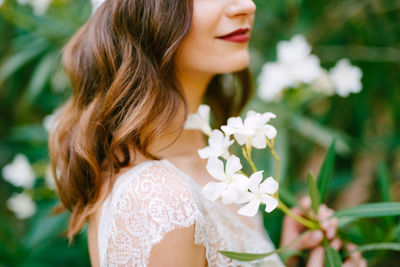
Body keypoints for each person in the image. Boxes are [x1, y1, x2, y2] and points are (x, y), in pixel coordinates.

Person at [49, 0, 366, 266]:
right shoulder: (158, 201)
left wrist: (284, 256)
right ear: (145, 11)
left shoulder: (206, 160)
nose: (247, 5)